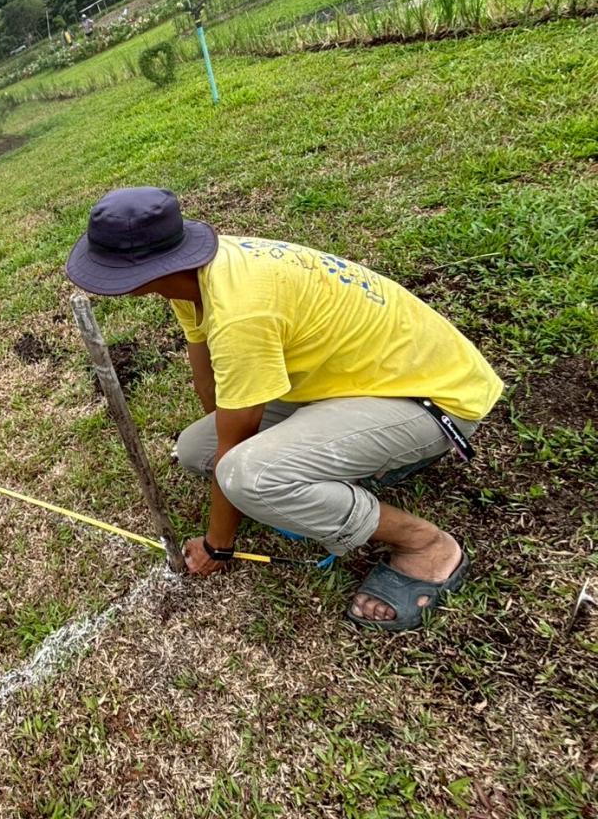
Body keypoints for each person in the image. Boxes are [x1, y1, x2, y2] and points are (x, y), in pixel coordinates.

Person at [65, 188, 503, 632]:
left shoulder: (241, 312)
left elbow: (235, 451)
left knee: (247, 475)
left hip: (429, 400)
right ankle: (339, 468)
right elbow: (211, 389)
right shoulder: (192, 276)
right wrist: (238, 454)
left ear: (139, 274)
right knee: (198, 448)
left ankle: (427, 546)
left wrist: (220, 544)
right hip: (354, 386)